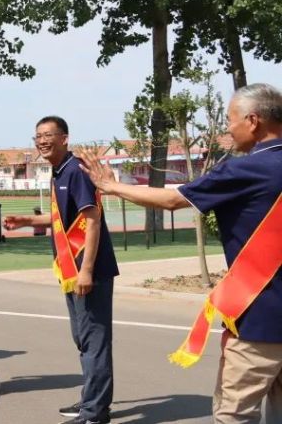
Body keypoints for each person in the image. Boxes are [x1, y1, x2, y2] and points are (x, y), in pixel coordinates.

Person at [77, 83, 282, 424]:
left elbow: (174, 201)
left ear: (253, 120)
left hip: (260, 322)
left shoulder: (245, 169)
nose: (228, 131)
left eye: (231, 121)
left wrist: (111, 186)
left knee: (235, 415)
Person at [3, 116, 119, 424]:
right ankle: (91, 401)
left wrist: (87, 271)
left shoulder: (77, 171)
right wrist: (27, 221)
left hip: (87, 272)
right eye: (37, 136)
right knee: (82, 338)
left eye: (47, 135)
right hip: (71, 271)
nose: (41, 140)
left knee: (94, 340)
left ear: (64, 138)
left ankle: (94, 413)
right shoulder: (59, 172)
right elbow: (62, 221)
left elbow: (92, 220)